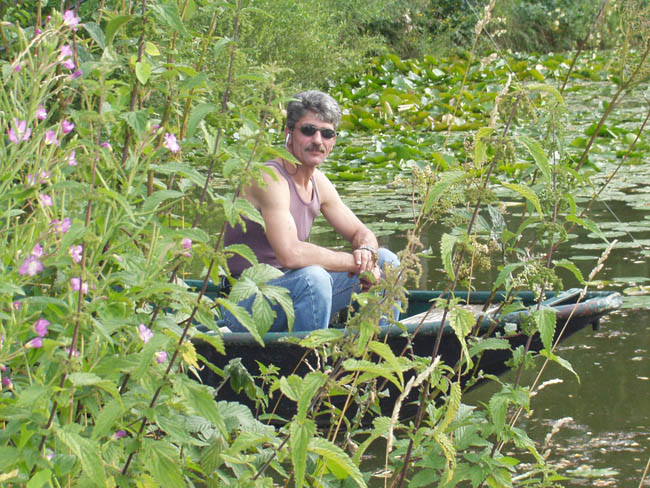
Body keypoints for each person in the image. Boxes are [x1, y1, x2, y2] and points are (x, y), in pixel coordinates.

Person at [222, 90, 400, 333]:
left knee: (388, 262)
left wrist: (367, 253)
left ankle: (373, 348)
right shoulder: (269, 178)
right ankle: (309, 355)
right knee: (314, 278)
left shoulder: (319, 182)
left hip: (293, 288)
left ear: (333, 141)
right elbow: (290, 254)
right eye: (308, 130)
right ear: (288, 133)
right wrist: (357, 264)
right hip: (245, 303)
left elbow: (360, 232)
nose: (318, 140)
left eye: (327, 133)